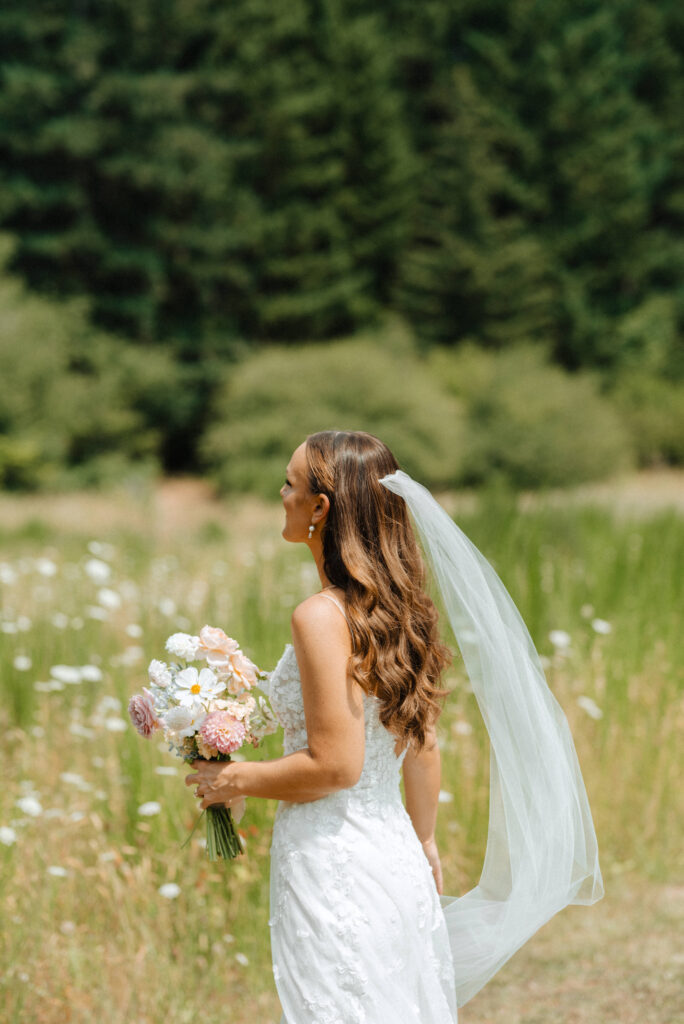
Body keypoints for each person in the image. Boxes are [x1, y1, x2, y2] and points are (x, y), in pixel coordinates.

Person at [186, 429, 603, 1023]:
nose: (280, 494)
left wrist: (236, 779)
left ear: (320, 507)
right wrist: (425, 839)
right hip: (396, 857)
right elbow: (422, 742)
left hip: (334, 862)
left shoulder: (320, 616)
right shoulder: (401, 610)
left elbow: (336, 766)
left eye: (289, 483)